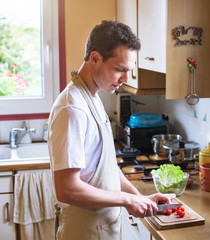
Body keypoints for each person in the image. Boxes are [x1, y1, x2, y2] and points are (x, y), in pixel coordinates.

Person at [48, 20, 170, 239]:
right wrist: (127, 200)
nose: (124, 79)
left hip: (103, 227)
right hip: (84, 231)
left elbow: (106, 169)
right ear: (95, 58)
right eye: (119, 70)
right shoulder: (72, 108)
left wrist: (138, 197)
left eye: (128, 71)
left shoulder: (92, 96)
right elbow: (67, 189)